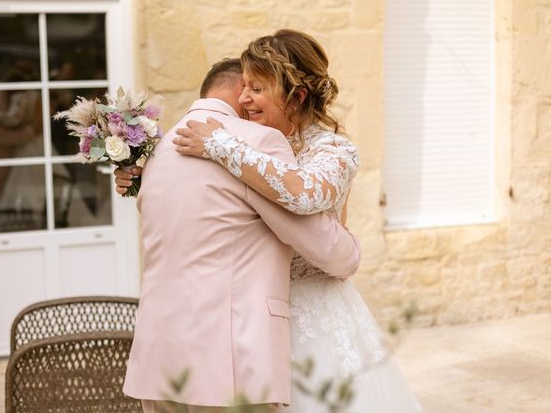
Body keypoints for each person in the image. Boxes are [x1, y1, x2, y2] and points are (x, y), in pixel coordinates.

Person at [173, 31, 422, 412]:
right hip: (250, 318)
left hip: (316, 314)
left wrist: (220, 145)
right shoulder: (248, 145)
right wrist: (136, 175)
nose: (243, 99)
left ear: (297, 96)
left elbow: (305, 194)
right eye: (244, 87)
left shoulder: (334, 150)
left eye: (256, 87)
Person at [120, 58, 362, 413]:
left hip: (159, 358)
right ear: (240, 89)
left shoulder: (159, 149)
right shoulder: (256, 143)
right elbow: (319, 242)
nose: (251, 100)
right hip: (227, 363)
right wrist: (350, 252)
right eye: (251, 88)